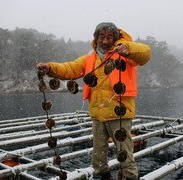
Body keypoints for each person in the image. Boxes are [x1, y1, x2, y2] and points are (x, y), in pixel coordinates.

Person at [37, 22, 151, 180]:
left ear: (116, 38)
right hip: (97, 113)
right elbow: (70, 68)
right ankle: (103, 176)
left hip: (120, 114)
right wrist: (50, 67)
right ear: (96, 39)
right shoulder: (89, 57)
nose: (105, 41)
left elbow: (145, 53)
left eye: (109, 37)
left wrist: (128, 49)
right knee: (98, 156)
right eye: (101, 37)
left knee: (125, 154)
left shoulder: (126, 54)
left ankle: (131, 178)